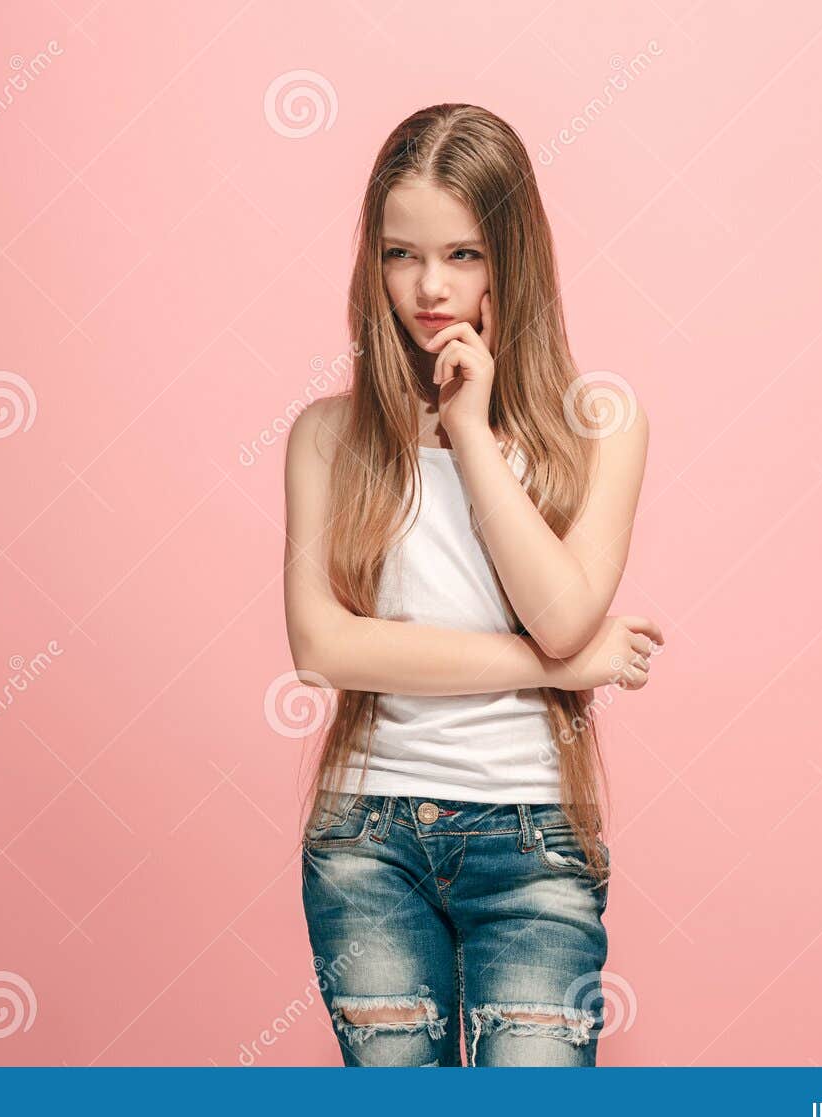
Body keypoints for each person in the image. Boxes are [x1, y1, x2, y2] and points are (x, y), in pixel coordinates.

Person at [282, 103, 664, 1066]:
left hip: (533, 842)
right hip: (365, 840)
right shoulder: (327, 438)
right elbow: (323, 647)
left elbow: (564, 606)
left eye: (463, 255)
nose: (428, 287)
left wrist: (470, 428)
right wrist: (562, 664)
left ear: (512, 259)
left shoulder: (601, 421)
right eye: (401, 253)